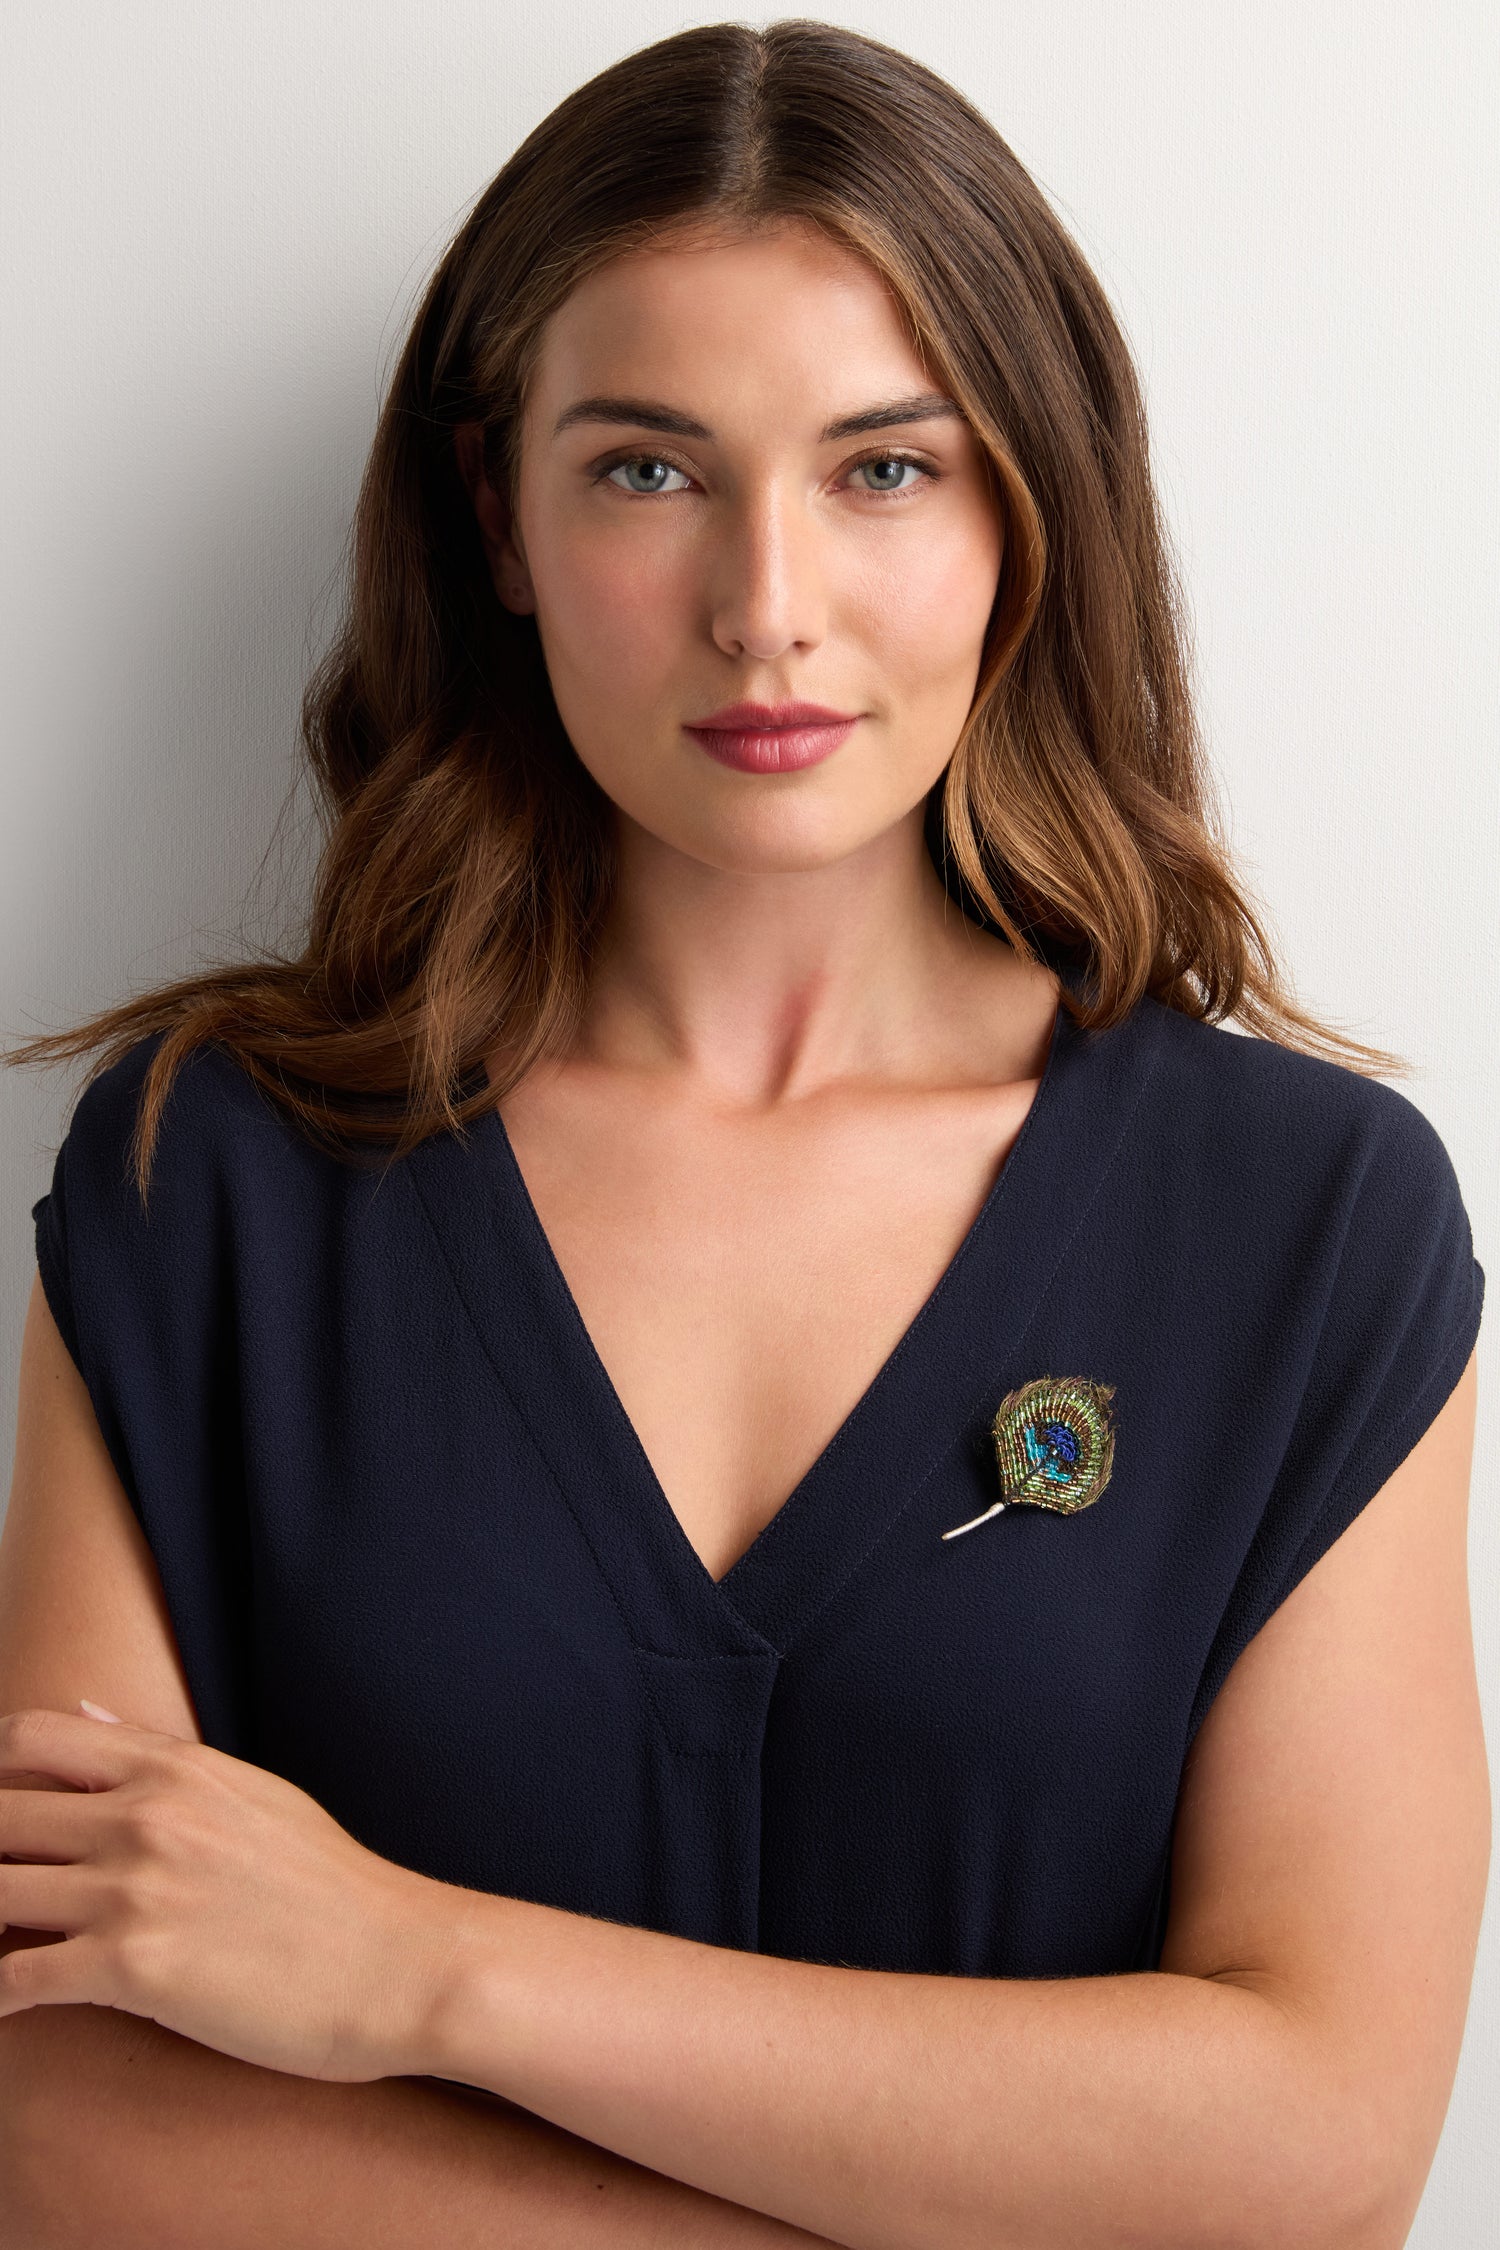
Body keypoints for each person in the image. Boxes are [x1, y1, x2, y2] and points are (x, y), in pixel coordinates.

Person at [0, 20, 1487, 2249]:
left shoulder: (1301, 1226)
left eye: (885, 468)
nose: (766, 604)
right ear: (495, 514)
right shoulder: (206, 1183)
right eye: (650, 470)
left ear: (1028, 513)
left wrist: (423, 1970)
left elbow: (1315, 2145)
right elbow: (68, 2127)